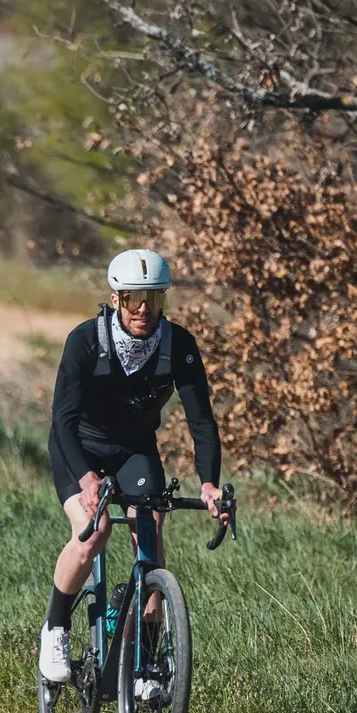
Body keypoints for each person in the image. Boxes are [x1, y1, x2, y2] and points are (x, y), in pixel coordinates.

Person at [39, 248, 229, 684]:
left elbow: (201, 420)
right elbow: (62, 420)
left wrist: (209, 484)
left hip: (134, 449)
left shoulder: (178, 345)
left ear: (163, 300)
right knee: (95, 530)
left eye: (153, 298)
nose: (143, 308)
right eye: (133, 298)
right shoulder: (85, 340)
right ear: (115, 298)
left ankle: (145, 659)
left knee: (150, 533)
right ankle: (56, 628)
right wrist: (88, 479)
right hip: (79, 448)